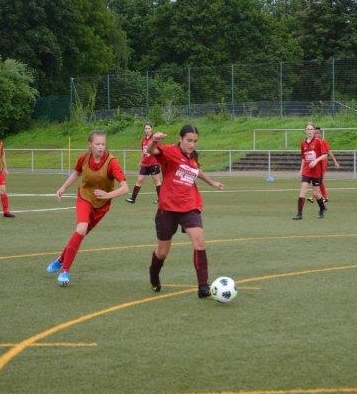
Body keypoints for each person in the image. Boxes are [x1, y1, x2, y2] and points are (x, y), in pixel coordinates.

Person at [145, 124, 224, 298]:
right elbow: (151, 151)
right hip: (168, 208)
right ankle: (154, 275)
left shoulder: (192, 156)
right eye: (189, 140)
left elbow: (196, 170)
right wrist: (154, 140)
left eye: (195, 141)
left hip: (190, 205)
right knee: (162, 252)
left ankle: (203, 286)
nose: (192, 144)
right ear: (180, 139)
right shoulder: (170, 151)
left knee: (199, 242)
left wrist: (212, 182)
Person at [46, 130, 129, 286]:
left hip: (101, 205)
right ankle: (65, 271)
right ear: (90, 144)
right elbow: (76, 173)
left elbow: (125, 188)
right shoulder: (83, 158)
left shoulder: (112, 162)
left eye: (103, 144)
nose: (101, 147)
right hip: (84, 197)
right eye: (97, 144)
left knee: (80, 234)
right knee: (81, 229)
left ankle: (60, 259)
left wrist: (107, 195)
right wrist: (63, 187)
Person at [292, 122, 328, 220]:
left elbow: (325, 155)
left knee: (316, 193)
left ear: (314, 131)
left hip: (317, 170)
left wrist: (316, 161)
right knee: (303, 190)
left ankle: (322, 208)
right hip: (307, 170)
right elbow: (304, 158)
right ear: (305, 131)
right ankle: (299, 214)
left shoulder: (318, 141)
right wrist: (301, 170)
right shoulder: (303, 143)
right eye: (308, 129)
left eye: (311, 129)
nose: (309, 131)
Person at [126, 122, 162, 203]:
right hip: (145, 163)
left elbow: (159, 150)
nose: (147, 130)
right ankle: (132, 199)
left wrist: (151, 153)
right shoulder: (143, 140)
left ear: (151, 129)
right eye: (146, 128)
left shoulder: (155, 139)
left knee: (157, 181)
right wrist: (141, 161)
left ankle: (161, 199)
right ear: (144, 130)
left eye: (149, 128)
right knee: (139, 180)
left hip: (154, 163)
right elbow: (143, 151)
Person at [307, 126, 340, 204]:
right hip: (315, 163)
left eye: (318, 133)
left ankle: (324, 197)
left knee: (319, 180)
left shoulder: (323, 142)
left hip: (322, 163)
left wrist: (335, 162)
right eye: (315, 133)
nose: (316, 134)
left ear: (320, 134)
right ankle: (315, 196)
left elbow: (329, 152)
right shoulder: (312, 142)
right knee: (315, 179)